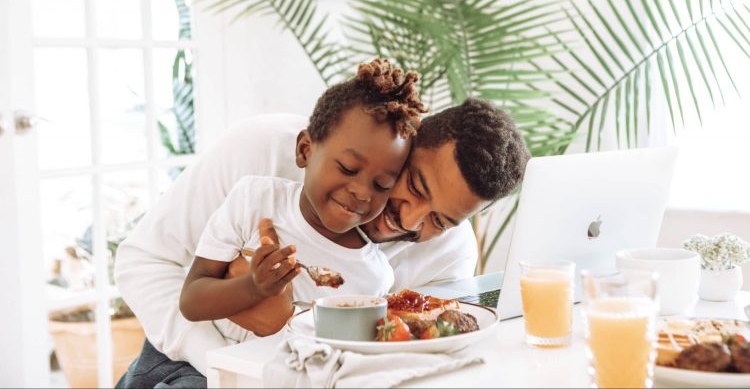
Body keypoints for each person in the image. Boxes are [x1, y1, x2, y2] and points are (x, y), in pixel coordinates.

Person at [115, 91, 529, 387]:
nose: (410, 219)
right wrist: (234, 369)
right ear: (409, 138)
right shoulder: (265, 155)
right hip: (187, 364)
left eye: (441, 219)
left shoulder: (449, 256)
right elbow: (143, 262)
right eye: (416, 186)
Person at [178, 58, 425, 345]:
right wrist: (254, 286)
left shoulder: (373, 276)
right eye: (347, 168)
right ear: (305, 150)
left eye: (382, 184)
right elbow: (191, 301)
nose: (361, 192)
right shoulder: (255, 200)